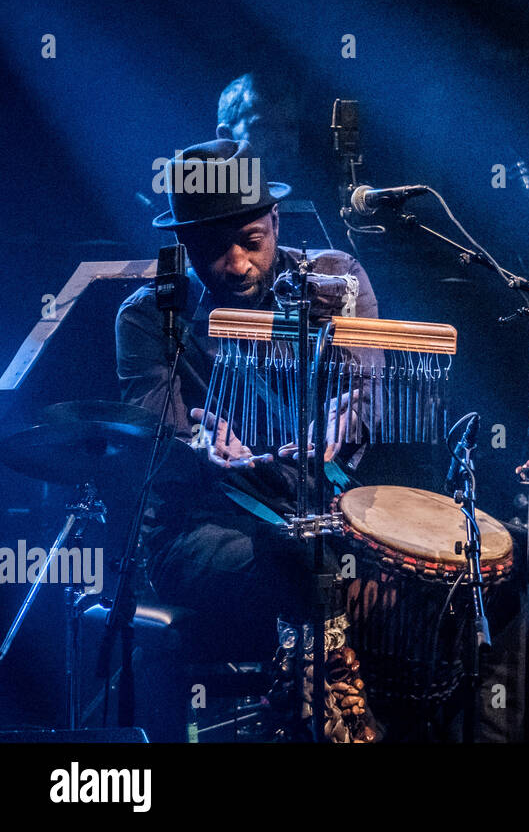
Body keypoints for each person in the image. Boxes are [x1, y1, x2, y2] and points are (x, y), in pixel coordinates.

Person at [116, 138, 380, 738]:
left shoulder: (335, 282)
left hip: (323, 516)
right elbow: (156, 444)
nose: (235, 263)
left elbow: (365, 394)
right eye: (212, 249)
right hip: (200, 531)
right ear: (182, 244)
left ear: (275, 222)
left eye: (250, 242)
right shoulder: (149, 315)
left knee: (455, 573)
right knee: (305, 561)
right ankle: (308, 719)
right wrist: (198, 454)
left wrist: (346, 419)